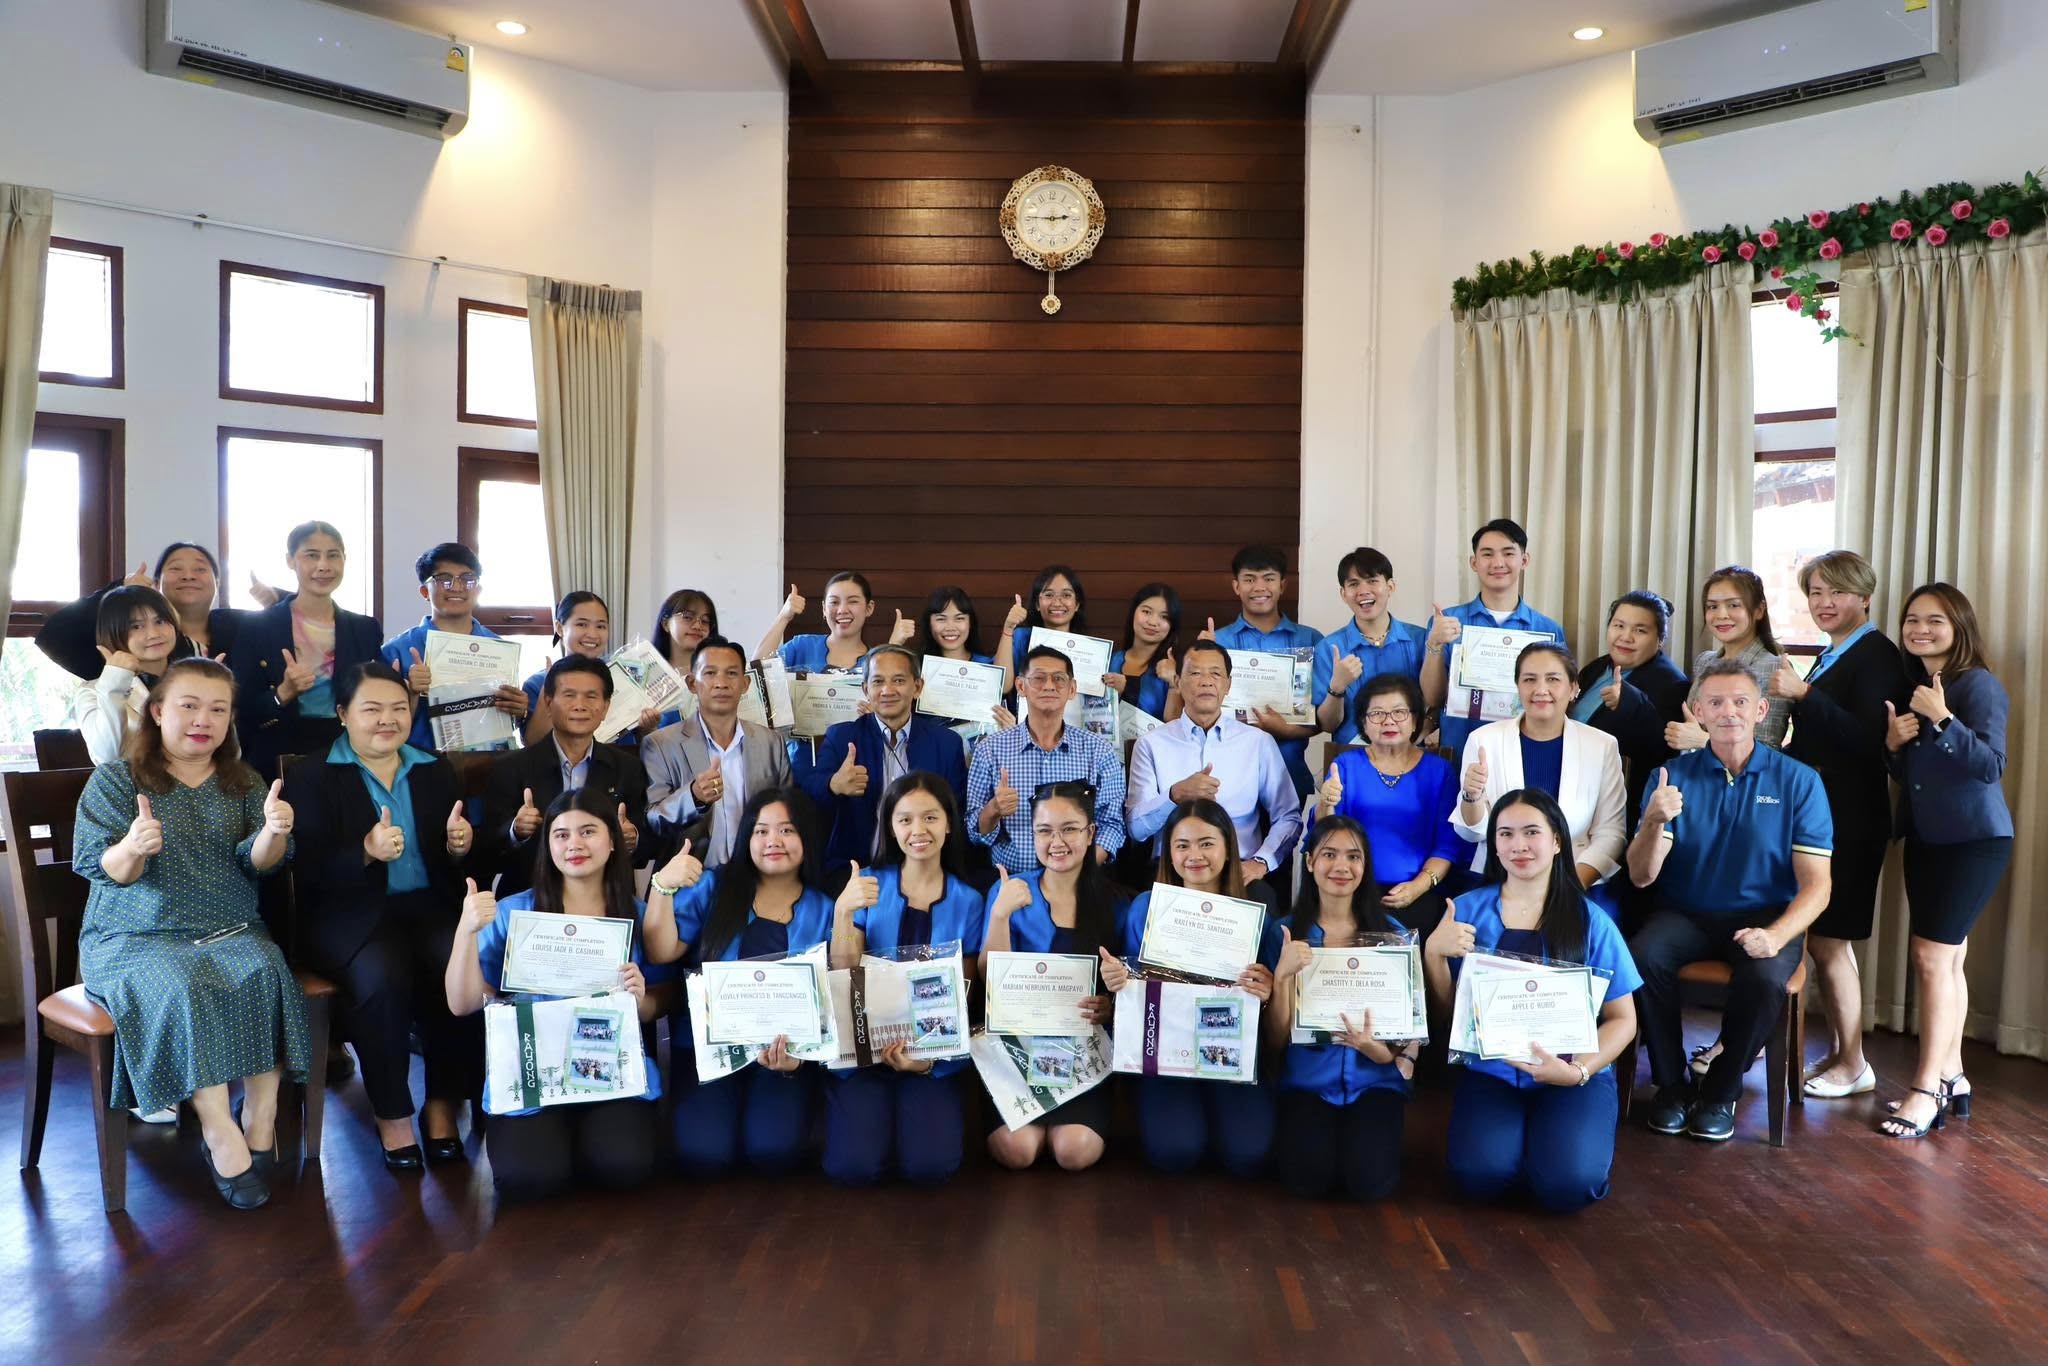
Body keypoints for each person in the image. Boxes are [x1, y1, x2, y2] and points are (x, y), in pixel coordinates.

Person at [72, 658, 309, 1210]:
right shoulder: (115, 780)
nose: (204, 719)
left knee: (267, 969)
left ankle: (261, 1116)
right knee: (183, 984)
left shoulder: (243, 782)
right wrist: (133, 846)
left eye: (218, 709)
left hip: (230, 926)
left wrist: (274, 831)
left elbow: (260, 862)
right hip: (133, 937)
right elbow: (107, 869)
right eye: (189, 705)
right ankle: (218, 1128)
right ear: (157, 712)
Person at [282, 662, 482, 1171]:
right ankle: (393, 1115)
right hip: (347, 915)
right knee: (382, 975)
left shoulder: (434, 768)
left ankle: (443, 1104)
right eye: (372, 709)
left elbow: (457, 860)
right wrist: (365, 852)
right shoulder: (310, 775)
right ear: (343, 713)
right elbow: (301, 869)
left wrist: (460, 847)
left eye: (398, 708)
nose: (387, 720)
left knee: (459, 965)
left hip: (429, 906)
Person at [1626, 658, 1833, 1141]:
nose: (1728, 712)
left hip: (1765, 916)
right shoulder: (1670, 775)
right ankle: (1671, 1085)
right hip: (1687, 911)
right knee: (1643, 957)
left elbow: (1817, 886)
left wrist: (1776, 935)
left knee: (1764, 976)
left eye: (1740, 702)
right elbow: (1641, 876)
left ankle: (1721, 1090)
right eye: (1715, 703)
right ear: (1698, 711)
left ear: (1761, 710)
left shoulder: (1799, 781)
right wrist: (1653, 821)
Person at [445, 791, 673, 1200]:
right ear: (547, 846)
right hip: (532, 1075)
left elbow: (665, 997)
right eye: (561, 835)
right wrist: (465, 930)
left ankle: (583, 1139)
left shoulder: (637, 915)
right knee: (531, 1179)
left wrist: (640, 1002)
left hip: (609, 1074)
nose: (574, 845)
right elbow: (462, 1004)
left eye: (588, 832)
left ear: (612, 841)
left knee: (624, 1165)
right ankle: (555, 1141)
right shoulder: (514, 913)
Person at [1425, 790, 1640, 1211]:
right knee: (1479, 1178)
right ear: (1494, 845)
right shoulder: (1464, 911)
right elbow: (1450, 1015)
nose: (1518, 845)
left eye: (1531, 832)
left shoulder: (1592, 920)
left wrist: (1578, 1071)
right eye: (1505, 834)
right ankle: (1523, 1150)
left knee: (1570, 1186)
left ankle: (1546, 1152)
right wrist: (1434, 954)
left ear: (1557, 841)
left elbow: (1623, 1019)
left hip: (1572, 1074)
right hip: (1492, 1072)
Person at [1772, 550, 1911, 1101]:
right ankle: (1841, 1053)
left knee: (1830, 942)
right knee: (1826, 942)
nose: (1824, 603)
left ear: (1865, 597)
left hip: (1852, 818)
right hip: (1825, 813)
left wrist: (1805, 695)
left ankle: (1854, 1063)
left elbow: (1868, 742)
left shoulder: (1876, 655)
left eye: (1837, 592)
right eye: (1815, 593)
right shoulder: (1837, 651)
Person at [642, 788, 837, 1176]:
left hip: (784, 1056)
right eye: (761, 831)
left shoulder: (825, 909)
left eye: (786, 830)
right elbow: (660, 950)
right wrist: (662, 886)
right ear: (746, 837)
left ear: (806, 838)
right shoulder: (714, 887)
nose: (773, 841)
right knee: (704, 1153)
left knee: (773, 1152)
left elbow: (830, 1002)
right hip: (708, 1052)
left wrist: (798, 1058)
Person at [1880, 583, 2012, 1138]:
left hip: (1974, 841)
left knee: (1932, 960)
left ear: (1959, 627)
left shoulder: (1978, 684)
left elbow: (1991, 765)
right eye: (1912, 619)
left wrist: (1942, 719)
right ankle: (1953, 1075)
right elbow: (1917, 776)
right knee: (1946, 961)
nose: (1920, 629)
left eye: (1935, 620)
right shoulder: (1915, 686)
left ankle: (1925, 1088)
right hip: (1927, 839)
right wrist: (1893, 746)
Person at [821, 774, 987, 1185]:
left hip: (931, 1054)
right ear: (891, 828)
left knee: (931, 1168)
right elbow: (844, 973)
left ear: (949, 824)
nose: (918, 830)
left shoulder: (969, 900)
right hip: (865, 1052)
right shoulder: (868, 885)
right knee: (852, 1168)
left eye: (930, 817)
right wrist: (843, 912)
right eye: (905, 819)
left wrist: (925, 1060)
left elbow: (963, 993)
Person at [1104, 800, 1279, 1177]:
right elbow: (1133, 989)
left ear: (1228, 848)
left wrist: (1267, 991)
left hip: (1230, 1052)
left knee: (1248, 1155)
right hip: (1167, 1054)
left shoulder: (1255, 910)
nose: (1194, 855)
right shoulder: (1146, 908)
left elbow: (1271, 1004)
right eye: (1182, 845)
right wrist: (1119, 981)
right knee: (1175, 1153)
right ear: (1169, 852)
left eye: (1206, 843)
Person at [1264, 817, 1417, 1201]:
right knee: (1308, 1181)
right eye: (1329, 854)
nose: (1341, 866)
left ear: (1365, 866)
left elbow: (1408, 1034)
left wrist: (1378, 1052)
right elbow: (1275, 1039)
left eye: (1353, 856)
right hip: (1307, 1083)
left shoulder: (1393, 935)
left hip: (1375, 1080)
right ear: (1310, 861)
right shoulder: (1284, 933)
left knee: (1369, 1184)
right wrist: (1282, 977)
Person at [979, 782, 1124, 1171]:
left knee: (1074, 1151)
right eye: (1044, 831)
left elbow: (1127, 987)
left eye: (1069, 829)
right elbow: (989, 980)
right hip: (1016, 1050)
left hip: (1082, 1055)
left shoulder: (1114, 901)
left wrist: (1110, 1005)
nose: (1056, 842)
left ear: (1091, 833)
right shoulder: (1009, 890)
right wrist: (1000, 915)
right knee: (1019, 1150)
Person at [1451, 643, 1627, 916]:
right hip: (1501, 875)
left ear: (1573, 688)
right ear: (1518, 686)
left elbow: (1611, 833)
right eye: (1529, 680)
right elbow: (1472, 832)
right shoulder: (1484, 740)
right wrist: (1471, 796)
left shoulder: (1601, 745)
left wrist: (1569, 886)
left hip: (1577, 877)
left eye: (1553, 679)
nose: (1540, 689)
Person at [1125, 641, 1300, 885]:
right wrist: (1174, 795)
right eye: (1195, 673)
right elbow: (1136, 828)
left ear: (1228, 685)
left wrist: (1261, 862)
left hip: (1239, 871)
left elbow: (1288, 816)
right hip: (1173, 871)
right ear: (1177, 682)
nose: (1206, 681)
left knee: (1264, 899)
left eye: (1216, 674)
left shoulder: (1258, 742)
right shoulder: (1151, 744)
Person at [479, 656, 647, 898]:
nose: (580, 705)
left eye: (591, 696)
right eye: (569, 695)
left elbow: (644, 849)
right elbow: (486, 848)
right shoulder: (511, 768)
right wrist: (516, 831)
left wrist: (633, 839)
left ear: (605, 707)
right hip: (531, 895)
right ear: (548, 704)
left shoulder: (627, 768)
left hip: (605, 897)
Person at [228, 521, 384, 781]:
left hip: (349, 751)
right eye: (311, 555)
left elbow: (374, 693)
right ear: (290, 560)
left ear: (344, 559)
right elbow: (241, 706)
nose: (323, 565)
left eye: (333, 555)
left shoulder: (364, 628)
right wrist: (282, 693)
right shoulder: (257, 626)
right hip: (278, 755)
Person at [791, 646, 969, 870]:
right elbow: (808, 793)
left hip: (927, 867)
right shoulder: (842, 737)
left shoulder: (946, 743)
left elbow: (957, 811)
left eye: (898, 680)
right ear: (866, 689)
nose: (887, 690)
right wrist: (833, 784)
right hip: (857, 867)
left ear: (917, 687)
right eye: (878, 682)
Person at [1311, 673, 1459, 935]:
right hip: (1351, 889)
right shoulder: (1345, 766)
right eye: (1377, 714)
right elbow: (1325, 835)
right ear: (1363, 724)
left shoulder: (1440, 771)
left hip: (1419, 890)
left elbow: (1448, 845)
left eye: (1399, 712)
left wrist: (1418, 887)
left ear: (1414, 720)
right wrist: (1326, 802)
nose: (1389, 721)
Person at [965, 646, 1126, 875]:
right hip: (1011, 879)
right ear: (1021, 686)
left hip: (1078, 879)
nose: (1049, 686)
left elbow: (1112, 825)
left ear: (1072, 689)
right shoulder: (990, 749)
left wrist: (1076, 873)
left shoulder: (1098, 750)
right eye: (1039, 678)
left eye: (1059, 679)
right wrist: (993, 810)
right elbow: (974, 833)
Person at [1422, 518, 1569, 765]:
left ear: (1524, 560)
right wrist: (1434, 644)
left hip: (1525, 752)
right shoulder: (1447, 621)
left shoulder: (1547, 630)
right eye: (1487, 554)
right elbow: (1433, 698)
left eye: (1508, 553)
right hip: (1461, 750)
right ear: (1474, 563)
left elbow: (1558, 698)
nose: (1498, 563)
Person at [643, 637, 792, 868]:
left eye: (731, 673)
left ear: (745, 684)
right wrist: (692, 796)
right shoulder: (661, 743)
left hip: (756, 876)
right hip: (688, 878)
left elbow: (787, 811)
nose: (721, 683)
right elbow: (653, 820)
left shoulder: (771, 742)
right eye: (710, 673)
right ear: (692, 683)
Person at [377, 542, 529, 751]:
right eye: (444, 579)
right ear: (425, 591)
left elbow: (506, 721)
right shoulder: (395, 652)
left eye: (467, 579)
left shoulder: (499, 649)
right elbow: (378, 726)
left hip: (489, 764)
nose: (457, 587)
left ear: (478, 589)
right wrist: (410, 693)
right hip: (420, 764)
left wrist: (520, 710)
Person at [37, 542, 255, 682]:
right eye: (176, 568)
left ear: (217, 582)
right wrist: (119, 589)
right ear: (156, 585)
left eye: (200, 569)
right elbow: (53, 636)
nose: (188, 576)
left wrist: (272, 599)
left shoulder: (239, 625)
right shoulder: (133, 643)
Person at [1208, 545, 1323, 798]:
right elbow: (1203, 710)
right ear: (1236, 586)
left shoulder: (1311, 640)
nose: (1259, 587)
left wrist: (1286, 730)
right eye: (1249, 579)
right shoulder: (1218, 642)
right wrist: (1203, 656)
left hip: (1289, 771)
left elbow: (1323, 716)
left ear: (1282, 585)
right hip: (1229, 776)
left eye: (1268, 578)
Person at [1572, 591, 1691, 831]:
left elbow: (1663, 749)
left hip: (1616, 809)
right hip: (1573, 788)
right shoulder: (1597, 667)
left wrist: (1629, 703)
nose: (1626, 637)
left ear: (1660, 639)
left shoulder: (1672, 683)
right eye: (1619, 626)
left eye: (1640, 630)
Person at [1665, 566, 1789, 753]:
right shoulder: (1704, 661)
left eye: (1733, 605)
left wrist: (1702, 740)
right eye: (1712, 606)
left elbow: (1768, 751)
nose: (1721, 615)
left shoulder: (1773, 667)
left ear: (1759, 610)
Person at [1312, 548, 1429, 745]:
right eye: (1354, 584)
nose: (1363, 591)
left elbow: (1437, 700)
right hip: (1352, 756)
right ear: (1343, 594)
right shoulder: (1329, 648)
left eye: (1372, 581)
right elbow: (1327, 725)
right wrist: (1337, 687)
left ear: (1390, 586)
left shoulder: (1421, 640)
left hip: (1410, 754)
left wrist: (1422, 733)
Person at [74, 586, 192, 764]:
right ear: (112, 633)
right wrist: (114, 685)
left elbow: (226, 750)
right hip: (134, 782)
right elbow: (107, 758)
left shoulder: (192, 680)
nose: (153, 634)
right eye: (136, 626)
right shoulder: (92, 691)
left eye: (160, 621)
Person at [521, 591, 649, 745]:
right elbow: (533, 745)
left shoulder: (624, 676)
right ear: (559, 628)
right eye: (582, 624)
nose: (593, 634)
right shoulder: (536, 684)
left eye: (601, 626)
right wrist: (548, 688)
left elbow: (638, 742)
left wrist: (647, 728)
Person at [758, 572, 877, 674]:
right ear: (824, 609)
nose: (842, 610)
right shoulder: (801, 646)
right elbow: (756, 673)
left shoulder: (877, 662)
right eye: (834, 602)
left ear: (869, 608)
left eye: (853, 601)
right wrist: (783, 617)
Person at [1106, 582, 1183, 722]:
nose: (1153, 622)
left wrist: (1173, 684)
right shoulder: (1108, 660)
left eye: (1164, 617)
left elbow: (1176, 724)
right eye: (1146, 612)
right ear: (1133, 612)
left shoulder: (1177, 670)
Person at [1010, 564, 1090, 666]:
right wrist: (1008, 629)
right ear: (1037, 604)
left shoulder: (1091, 649)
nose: (1057, 603)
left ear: (1077, 604)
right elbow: (1002, 674)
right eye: (1049, 595)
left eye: (1066, 595)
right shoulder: (1021, 638)